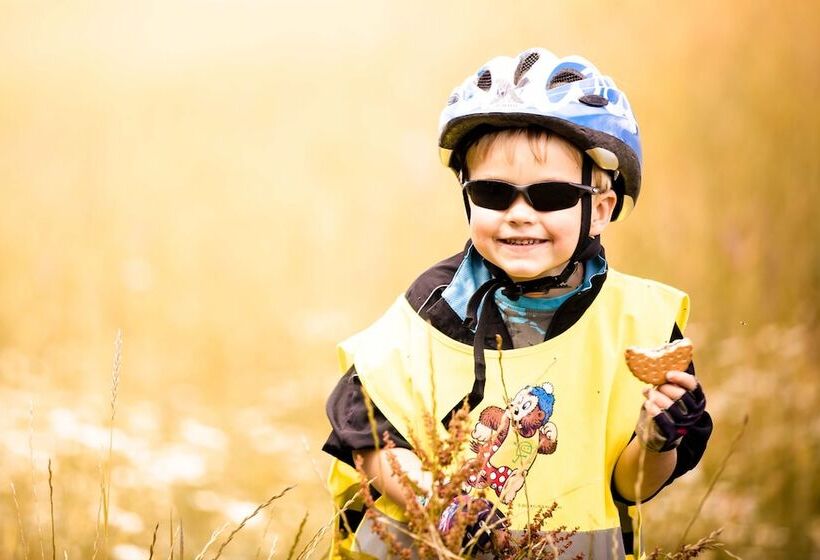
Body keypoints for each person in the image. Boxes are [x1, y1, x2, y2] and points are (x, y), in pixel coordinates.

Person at [322, 48, 712, 559]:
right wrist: (444, 502)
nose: (520, 215)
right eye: (493, 193)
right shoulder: (433, 309)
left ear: (599, 209)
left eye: (549, 195)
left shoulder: (641, 325)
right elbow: (369, 440)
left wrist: (658, 436)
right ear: (467, 197)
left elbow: (629, 486)